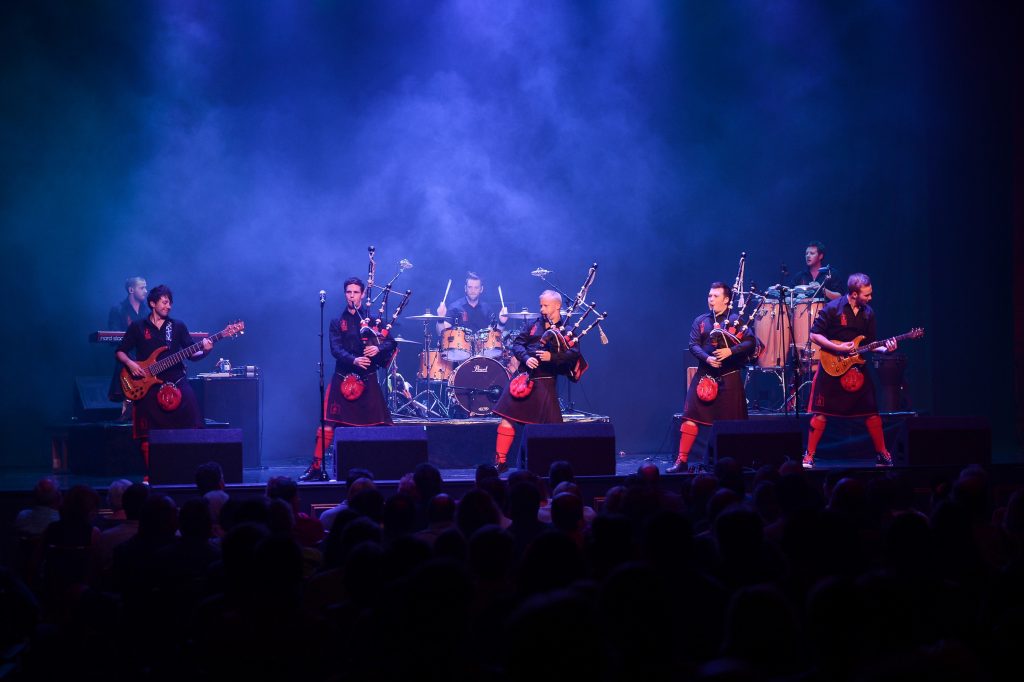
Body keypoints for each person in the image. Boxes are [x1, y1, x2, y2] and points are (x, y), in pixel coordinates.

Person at [300, 277, 396, 481]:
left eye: (355, 292)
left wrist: (377, 347)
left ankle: (388, 464)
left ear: (362, 294)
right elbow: (335, 349)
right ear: (345, 294)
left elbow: (392, 343)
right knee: (329, 422)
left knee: (381, 423)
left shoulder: (373, 321)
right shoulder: (337, 321)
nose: (352, 295)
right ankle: (316, 466)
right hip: (343, 377)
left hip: (367, 378)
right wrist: (354, 360)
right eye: (348, 292)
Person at [802, 273, 897, 469]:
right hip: (831, 366)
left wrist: (885, 348)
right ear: (854, 294)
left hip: (857, 369)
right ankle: (809, 455)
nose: (870, 298)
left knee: (872, 412)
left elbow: (870, 344)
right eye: (866, 294)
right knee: (821, 412)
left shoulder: (868, 313)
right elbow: (814, 335)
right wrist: (837, 348)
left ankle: (882, 454)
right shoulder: (832, 308)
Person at [115, 285, 212, 473]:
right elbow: (120, 351)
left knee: (192, 418)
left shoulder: (177, 326)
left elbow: (192, 354)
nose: (169, 306)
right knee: (146, 432)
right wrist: (132, 364)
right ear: (152, 303)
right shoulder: (138, 327)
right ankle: (150, 473)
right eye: (165, 302)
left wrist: (206, 351)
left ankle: (187, 469)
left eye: (170, 303)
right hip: (147, 384)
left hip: (175, 380)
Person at [668, 282, 757, 473]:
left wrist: (730, 351)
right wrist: (708, 358)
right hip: (704, 375)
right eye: (709, 295)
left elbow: (751, 342)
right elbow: (693, 345)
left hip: (730, 376)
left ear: (726, 300)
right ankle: (681, 461)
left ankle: (734, 464)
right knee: (690, 416)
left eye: (715, 296)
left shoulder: (736, 321)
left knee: (733, 424)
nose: (711, 299)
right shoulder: (700, 320)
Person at [491, 290, 582, 473]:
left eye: (545, 305)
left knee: (552, 429)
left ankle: (551, 466)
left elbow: (574, 354)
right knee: (507, 418)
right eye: (540, 305)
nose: (542, 309)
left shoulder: (568, 330)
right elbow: (517, 344)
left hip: (545, 381)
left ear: (557, 306)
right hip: (524, 379)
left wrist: (552, 357)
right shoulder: (533, 326)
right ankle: (500, 461)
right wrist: (525, 358)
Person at [107, 276, 149, 407]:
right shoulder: (118, 309)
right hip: (126, 357)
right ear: (131, 289)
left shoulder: (147, 311)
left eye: (145, 287)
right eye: (142, 288)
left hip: (145, 358)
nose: (145, 291)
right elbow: (115, 337)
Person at [436, 271, 509, 334]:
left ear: (481, 289)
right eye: (470, 287)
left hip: (482, 349)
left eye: (476, 287)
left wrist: (502, 323)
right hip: (459, 349)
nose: (473, 290)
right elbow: (441, 333)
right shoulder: (454, 307)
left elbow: (496, 336)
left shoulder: (487, 309)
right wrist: (440, 319)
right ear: (465, 288)